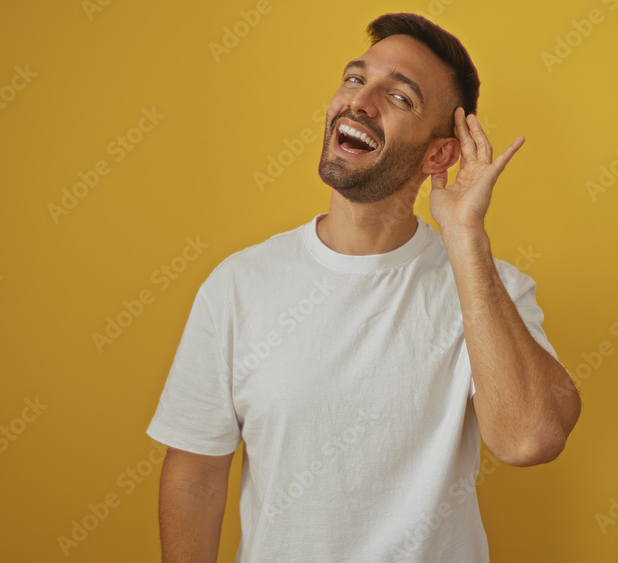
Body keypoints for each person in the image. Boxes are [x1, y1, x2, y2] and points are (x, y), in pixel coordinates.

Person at [146, 12, 581, 562]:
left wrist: (465, 236)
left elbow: (528, 439)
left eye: (399, 98)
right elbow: (197, 477)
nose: (360, 101)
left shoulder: (491, 292)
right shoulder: (238, 285)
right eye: (356, 79)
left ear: (439, 154)